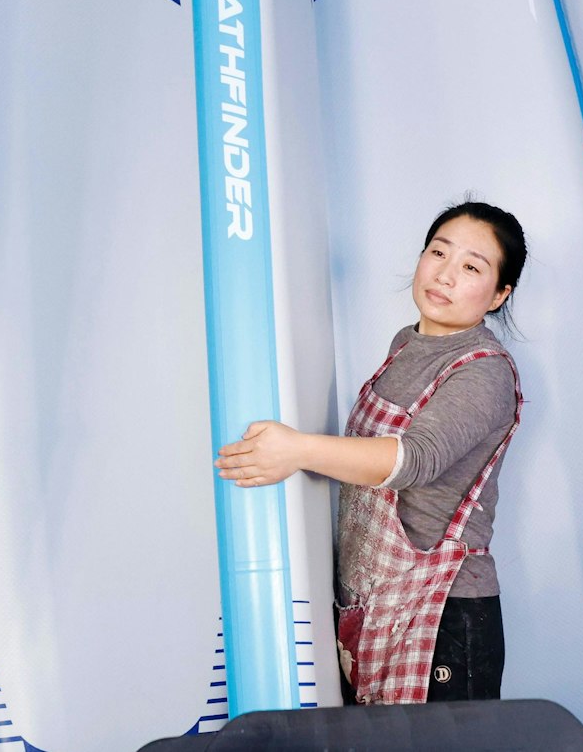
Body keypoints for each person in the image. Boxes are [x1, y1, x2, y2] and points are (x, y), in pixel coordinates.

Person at [215, 201, 526, 705]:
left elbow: (413, 460)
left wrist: (296, 449)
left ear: (499, 294)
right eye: (438, 252)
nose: (444, 274)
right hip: (374, 606)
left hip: (443, 617)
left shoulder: (484, 369)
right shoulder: (407, 343)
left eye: (471, 267)